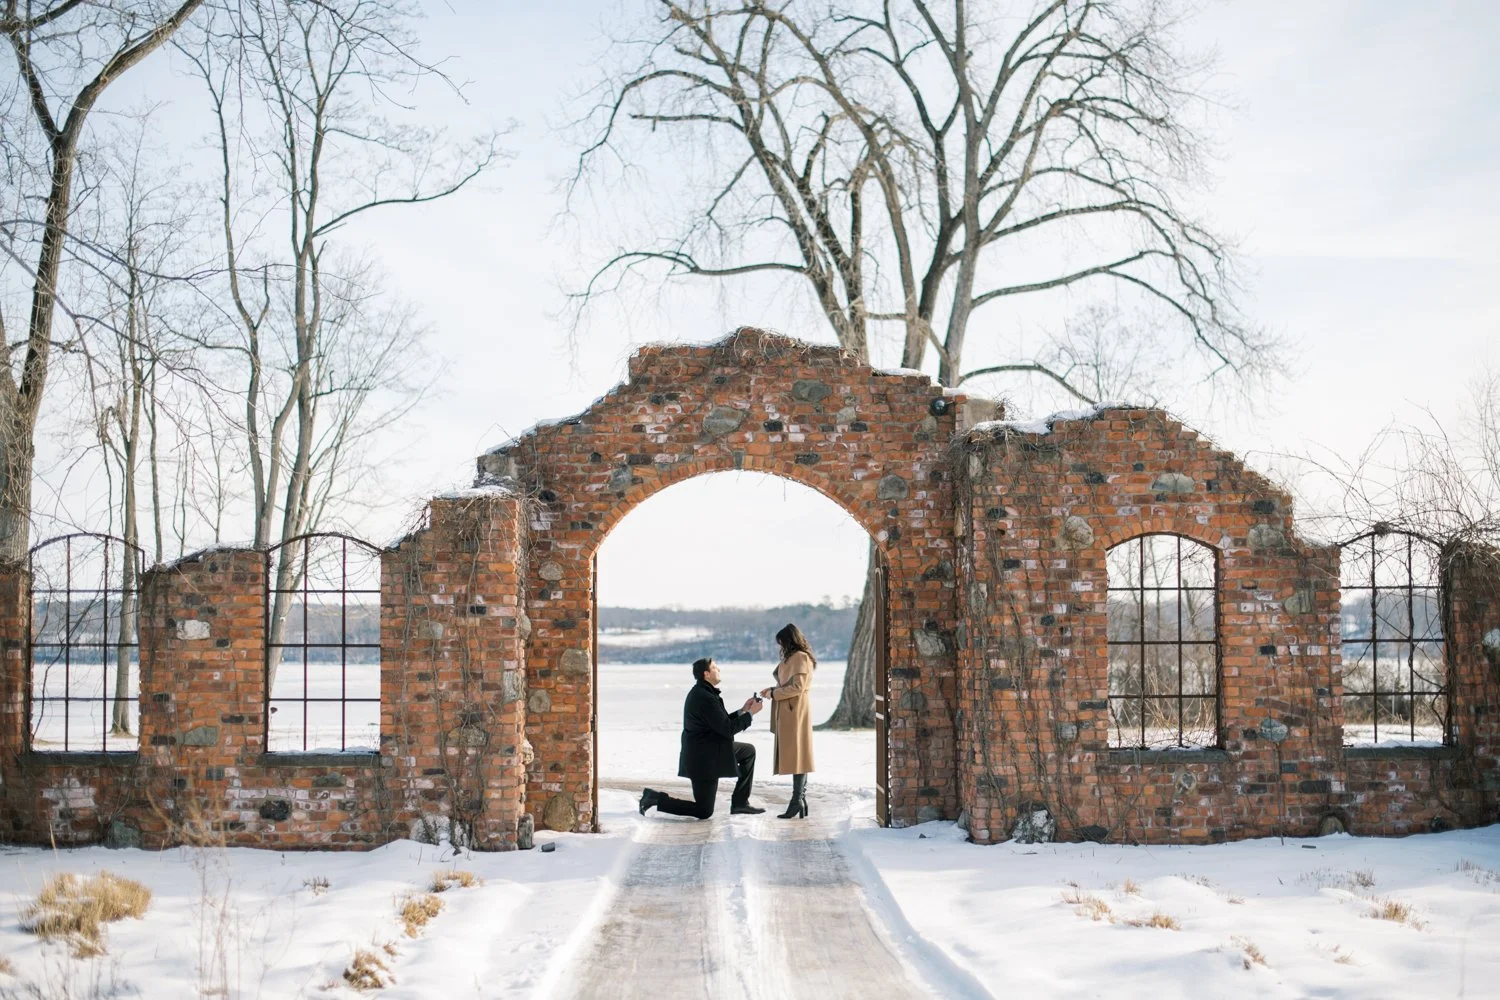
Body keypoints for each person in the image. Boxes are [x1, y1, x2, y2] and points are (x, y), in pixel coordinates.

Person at [638, 657, 766, 818]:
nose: (718, 670)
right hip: (703, 759)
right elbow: (727, 729)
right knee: (703, 811)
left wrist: (743, 710)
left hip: (707, 752)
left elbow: (721, 723)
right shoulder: (704, 697)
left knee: (748, 751)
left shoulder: (704, 693)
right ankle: (655, 798)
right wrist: (751, 713)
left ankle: (740, 803)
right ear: (706, 673)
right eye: (715, 668)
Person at [760, 623, 815, 819]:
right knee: (797, 755)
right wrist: (771, 691)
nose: (780, 646)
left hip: (795, 711)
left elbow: (798, 687)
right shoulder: (792, 657)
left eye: (781, 642)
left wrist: (774, 693)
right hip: (790, 710)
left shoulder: (800, 657)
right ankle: (800, 800)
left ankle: (797, 801)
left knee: (798, 756)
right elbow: (788, 684)